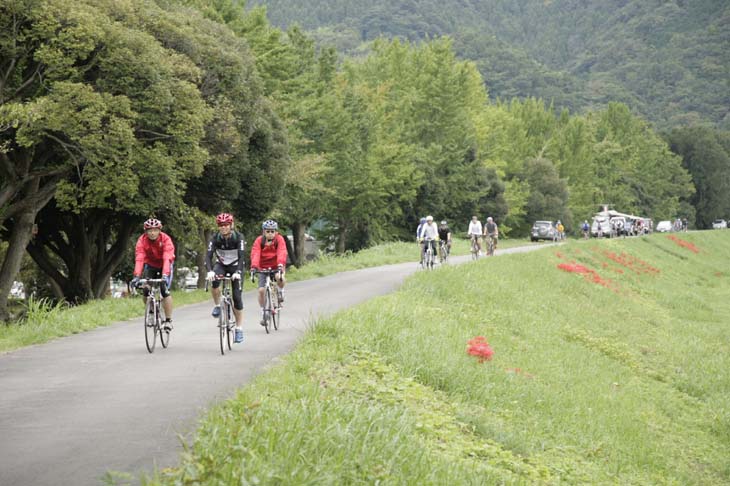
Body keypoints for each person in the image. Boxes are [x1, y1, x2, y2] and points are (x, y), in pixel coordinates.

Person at [206, 213, 246, 343]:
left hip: (235, 267)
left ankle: (239, 329)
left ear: (231, 225)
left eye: (226, 225)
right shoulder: (215, 238)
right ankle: (218, 305)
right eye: (221, 225)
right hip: (221, 265)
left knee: (236, 297)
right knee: (214, 281)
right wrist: (210, 271)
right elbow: (208, 256)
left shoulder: (238, 238)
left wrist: (238, 271)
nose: (223, 228)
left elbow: (241, 257)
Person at [131, 218, 175, 331]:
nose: (152, 233)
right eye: (149, 230)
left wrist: (165, 275)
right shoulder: (141, 241)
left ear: (159, 230)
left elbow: (167, 258)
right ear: (146, 231)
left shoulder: (166, 239)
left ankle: (168, 320)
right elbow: (140, 259)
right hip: (150, 265)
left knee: (164, 291)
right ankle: (151, 311)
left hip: (164, 265)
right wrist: (136, 276)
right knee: (146, 289)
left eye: (155, 230)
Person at [250, 219, 288, 326]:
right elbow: (255, 253)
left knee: (279, 277)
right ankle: (263, 311)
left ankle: (280, 291)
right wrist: (254, 267)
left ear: (276, 232)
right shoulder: (259, 241)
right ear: (264, 232)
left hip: (277, 265)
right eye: (268, 231)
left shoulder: (279, 239)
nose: (270, 234)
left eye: (272, 231)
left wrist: (280, 264)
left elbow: (282, 251)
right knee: (261, 290)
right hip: (263, 267)